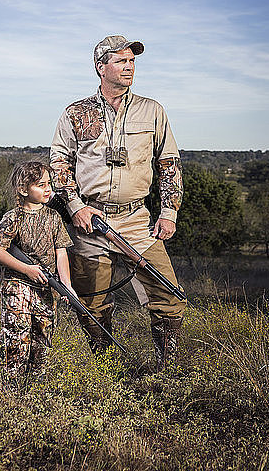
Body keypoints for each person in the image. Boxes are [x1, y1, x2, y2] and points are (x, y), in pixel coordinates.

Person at [50, 35, 187, 372]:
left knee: (169, 295)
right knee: (91, 303)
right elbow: (58, 163)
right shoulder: (75, 112)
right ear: (101, 67)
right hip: (89, 223)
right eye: (121, 61)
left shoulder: (152, 110)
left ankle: (166, 368)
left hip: (137, 220)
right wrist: (75, 207)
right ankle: (104, 367)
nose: (130, 67)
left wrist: (168, 212)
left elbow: (168, 162)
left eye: (132, 61)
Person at [0, 161, 74, 386]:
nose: (48, 189)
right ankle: (12, 390)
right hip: (18, 286)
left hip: (46, 289)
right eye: (40, 185)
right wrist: (28, 269)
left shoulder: (54, 217)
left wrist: (66, 286)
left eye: (49, 184)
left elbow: (61, 253)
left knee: (42, 341)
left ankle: (35, 391)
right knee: (17, 339)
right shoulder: (13, 217)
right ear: (23, 189)